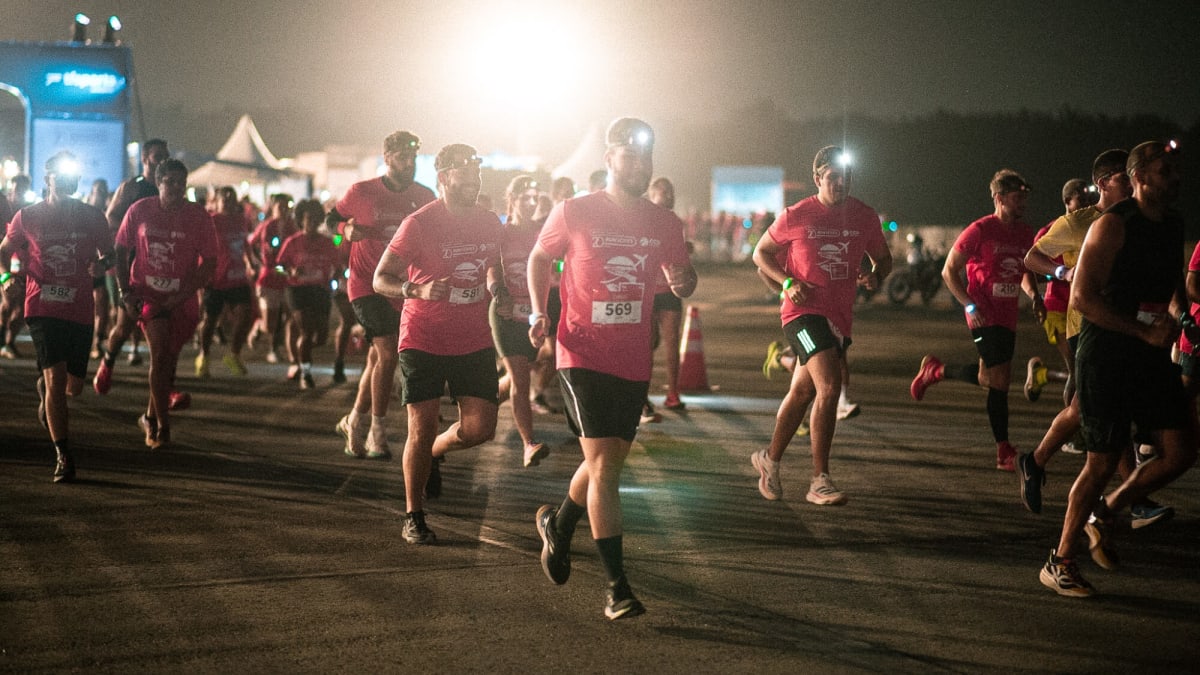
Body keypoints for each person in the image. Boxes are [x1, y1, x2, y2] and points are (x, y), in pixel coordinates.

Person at [528, 118, 696, 620]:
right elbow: (539, 257)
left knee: (606, 463)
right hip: (581, 353)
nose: (640, 165)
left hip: (632, 358)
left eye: (646, 157)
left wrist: (684, 281)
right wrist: (538, 312)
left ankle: (559, 526)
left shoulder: (664, 222)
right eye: (630, 155)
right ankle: (617, 587)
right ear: (609, 159)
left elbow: (683, 279)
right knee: (604, 466)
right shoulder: (575, 211)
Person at [1039, 140, 1196, 597]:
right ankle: (1059, 561)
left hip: (1149, 353)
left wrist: (1183, 318)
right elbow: (1082, 299)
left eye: (1176, 170)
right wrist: (1143, 331)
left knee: (1181, 450)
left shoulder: (1173, 224)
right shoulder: (1111, 225)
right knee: (1102, 462)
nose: (1175, 178)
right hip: (1106, 354)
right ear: (1139, 177)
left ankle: (1106, 511)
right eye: (1165, 171)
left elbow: (1172, 284)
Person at [1017, 150, 1173, 521]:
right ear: (1103, 183)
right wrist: (1063, 273)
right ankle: (1132, 499)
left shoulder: (1134, 219)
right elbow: (1031, 258)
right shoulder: (1078, 222)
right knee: (1099, 410)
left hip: (1122, 324)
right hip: (1085, 327)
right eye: (1123, 177)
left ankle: (1038, 463)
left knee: (1094, 410)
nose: (1132, 183)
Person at [373, 142, 504, 545]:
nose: (473, 182)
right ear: (444, 178)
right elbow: (380, 278)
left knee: (481, 428)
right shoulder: (419, 223)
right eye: (465, 176)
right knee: (421, 426)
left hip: (473, 338)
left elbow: (493, 263)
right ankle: (414, 515)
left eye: (477, 175)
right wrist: (417, 289)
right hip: (423, 337)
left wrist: (497, 286)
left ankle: (434, 451)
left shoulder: (489, 221)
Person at [750, 146, 891, 506]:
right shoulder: (796, 215)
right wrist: (787, 282)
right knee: (830, 386)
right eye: (833, 177)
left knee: (802, 393)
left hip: (838, 318)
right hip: (801, 313)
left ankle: (769, 459)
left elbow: (883, 259)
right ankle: (819, 480)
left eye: (846, 177)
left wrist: (875, 276)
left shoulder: (864, 216)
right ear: (817, 179)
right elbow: (760, 254)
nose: (840, 183)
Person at [910, 169, 1040, 471]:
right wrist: (969, 305)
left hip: (1007, 316)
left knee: (987, 379)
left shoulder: (1025, 233)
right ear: (999, 198)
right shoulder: (980, 230)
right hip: (983, 315)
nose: (1023, 202)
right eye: (1017, 197)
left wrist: (1034, 295)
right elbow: (948, 271)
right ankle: (1003, 450)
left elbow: (1024, 270)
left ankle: (935, 371)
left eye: (1025, 197)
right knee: (1001, 381)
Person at [0, 151, 112, 482]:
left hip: (79, 308)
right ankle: (63, 454)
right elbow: (4, 250)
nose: (66, 182)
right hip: (42, 307)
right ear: (48, 179)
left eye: (71, 178)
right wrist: (5, 279)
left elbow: (110, 255)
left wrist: (100, 266)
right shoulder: (28, 216)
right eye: (60, 177)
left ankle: (46, 393)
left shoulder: (92, 216)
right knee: (56, 381)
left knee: (73, 388)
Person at [329, 130, 435, 459]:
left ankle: (353, 421)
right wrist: (344, 230)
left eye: (413, 157)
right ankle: (378, 432)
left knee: (377, 360)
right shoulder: (362, 192)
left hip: (401, 288)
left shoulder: (425, 195)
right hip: (365, 284)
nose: (409, 163)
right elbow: (332, 218)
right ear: (387, 157)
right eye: (402, 157)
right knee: (388, 353)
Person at [113, 158, 217, 449]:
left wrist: (181, 295)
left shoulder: (198, 217)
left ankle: (148, 415)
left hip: (182, 299)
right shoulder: (140, 210)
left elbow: (210, 262)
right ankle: (162, 425)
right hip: (147, 295)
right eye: (169, 182)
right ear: (158, 183)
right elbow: (120, 249)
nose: (176, 188)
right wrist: (124, 292)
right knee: (159, 355)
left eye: (181, 183)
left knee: (167, 362)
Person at [94, 139, 169, 392]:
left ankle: (165, 389)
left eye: (166, 155)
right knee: (123, 326)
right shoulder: (132, 187)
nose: (163, 160)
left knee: (163, 333)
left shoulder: (169, 188)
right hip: (133, 266)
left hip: (163, 265)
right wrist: (133, 234)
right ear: (145, 159)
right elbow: (110, 218)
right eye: (158, 156)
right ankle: (108, 361)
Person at [491, 175, 550, 467]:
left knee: (520, 374)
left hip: (533, 316)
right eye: (525, 198)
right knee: (521, 379)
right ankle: (529, 444)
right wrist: (498, 292)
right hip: (505, 314)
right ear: (512, 199)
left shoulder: (543, 233)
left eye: (535, 199)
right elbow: (491, 266)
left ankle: (483, 403)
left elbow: (554, 266)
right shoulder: (502, 232)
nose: (531, 203)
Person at [1023, 178, 1095, 405]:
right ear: (1067, 200)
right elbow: (1029, 266)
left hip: (1081, 308)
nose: (1086, 204)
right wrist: (1039, 293)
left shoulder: (1093, 227)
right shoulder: (1052, 230)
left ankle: (1042, 375)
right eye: (1081, 199)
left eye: (1089, 199)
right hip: (1057, 307)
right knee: (1076, 369)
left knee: (1083, 369)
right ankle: (1072, 425)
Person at [277, 198, 338, 390]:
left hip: (320, 290)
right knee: (306, 330)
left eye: (315, 219)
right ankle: (305, 372)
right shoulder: (292, 242)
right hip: (298, 290)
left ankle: (299, 352)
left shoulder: (327, 243)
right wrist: (291, 271)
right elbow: (278, 267)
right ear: (301, 220)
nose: (311, 223)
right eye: (307, 219)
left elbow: (338, 266)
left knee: (321, 337)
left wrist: (335, 277)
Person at [195, 186, 254, 378]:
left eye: (232, 199)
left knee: (245, 316)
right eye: (224, 200)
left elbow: (245, 242)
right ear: (217, 202)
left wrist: (251, 261)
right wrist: (201, 274)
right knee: (210, 320)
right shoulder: (211, 221)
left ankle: (234, 355)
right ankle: (204, 356)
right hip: (216, 279)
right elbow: (200, 247)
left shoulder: (241, 220)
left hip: (238, 277)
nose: (228, 203)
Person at [645, 176, 688, 416]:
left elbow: (678, 252)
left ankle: (673, 394)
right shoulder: (643, 218)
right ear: (652, 195)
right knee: (647, 344)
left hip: (670, 290)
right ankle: (642, 396)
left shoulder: (675, 221)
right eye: (664, 192)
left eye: (671, 191)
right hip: (647, 291)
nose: (669, 196)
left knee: (672, 342)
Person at [247, 193, 296, 366]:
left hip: (287, 278)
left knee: (287, 316)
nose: (283, 210)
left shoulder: (292, 226)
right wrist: (256, 263)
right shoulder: (267, 226)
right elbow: (250, 244)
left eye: (286, 207)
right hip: (269, 277)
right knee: (270, 324)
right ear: (273, 207)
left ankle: (275, 349)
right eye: (280, 206)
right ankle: (259, 326)